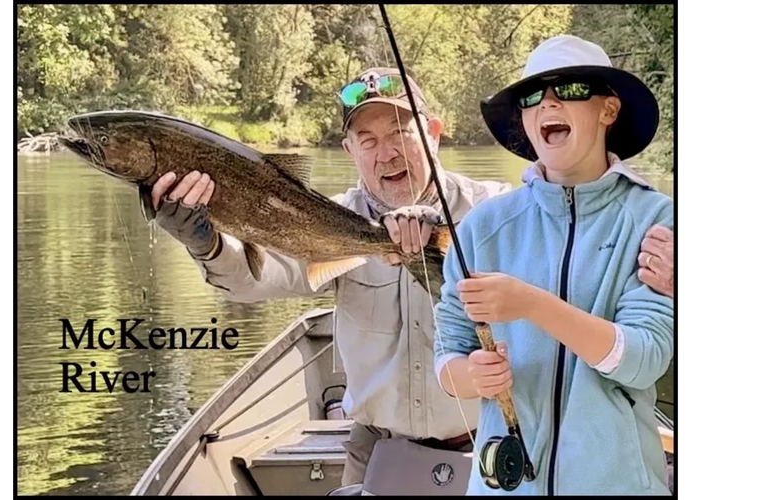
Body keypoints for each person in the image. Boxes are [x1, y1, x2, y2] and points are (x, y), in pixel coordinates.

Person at [148, 66, 675, 492]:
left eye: (401, 131)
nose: (387, 152)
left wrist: (437, 261)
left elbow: (583, 268)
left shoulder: (497, 214)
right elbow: (256, 278)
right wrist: (204, 240)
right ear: (350, 151)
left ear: (434, 133)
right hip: (376, 451)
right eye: (367, 139)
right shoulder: (326, 222)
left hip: (498, 445)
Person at [433, 34, 674, 496]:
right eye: (532, 97)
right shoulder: (483, 226)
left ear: (608, 110)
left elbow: (641, 360)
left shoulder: (655, 220)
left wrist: (531, 303)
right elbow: (448, 351)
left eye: (572, 90)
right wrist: (470, 375)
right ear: (524, 121)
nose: (548, 105)